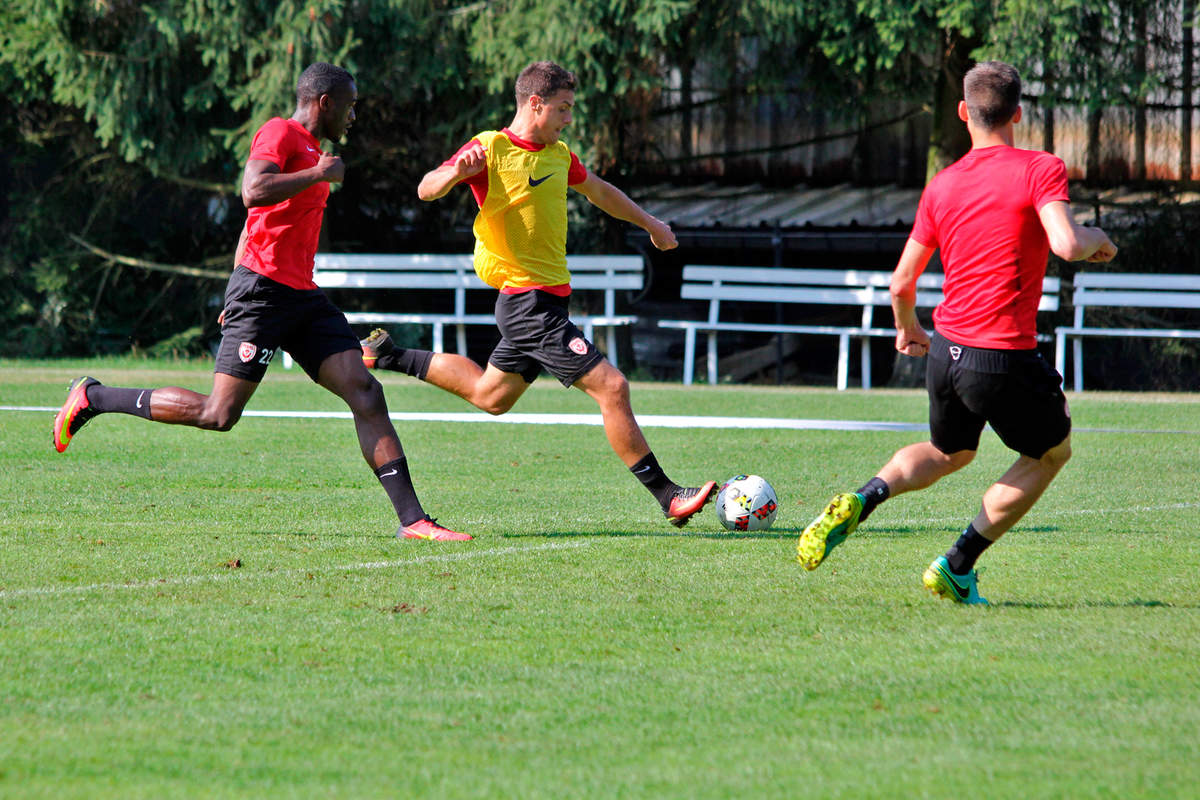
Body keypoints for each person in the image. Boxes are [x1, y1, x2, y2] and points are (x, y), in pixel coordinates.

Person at [52, 63, 470, 542]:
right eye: (350, 105)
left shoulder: (316, 150)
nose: (354, 115)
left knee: (366, 392)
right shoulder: (281, 133)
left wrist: (240, 272)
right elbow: (252, 192)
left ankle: (413, 521)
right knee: (219, 415)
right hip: (264, 293)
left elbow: (255, 226)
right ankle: (94, 396)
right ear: (324, 103)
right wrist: (316, 176)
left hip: (302, 297)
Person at [795, 61, 1117, 603]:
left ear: (964, 113)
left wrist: (909, 330)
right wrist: (1098, 236)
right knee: (1050, 454)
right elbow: (1065, 244)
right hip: (1003, 356)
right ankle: (958, 564)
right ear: (1018, 114)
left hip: (948, 352)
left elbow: (901, 283)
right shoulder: (1040, 167)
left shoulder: (942, 185)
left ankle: (864, 496)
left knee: (950, 452)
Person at [361, 60, 717, 527]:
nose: (570, 118)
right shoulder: (491, 148)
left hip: (545, 302)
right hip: (527, 304)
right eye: (564, 108)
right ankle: (668, 496)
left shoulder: (559, 154)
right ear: (535, 103)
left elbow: (600, 192)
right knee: (613, 386)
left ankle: (388, 356)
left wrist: (650, 223)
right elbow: (427, 188)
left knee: (492, 396)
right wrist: (452, 175)